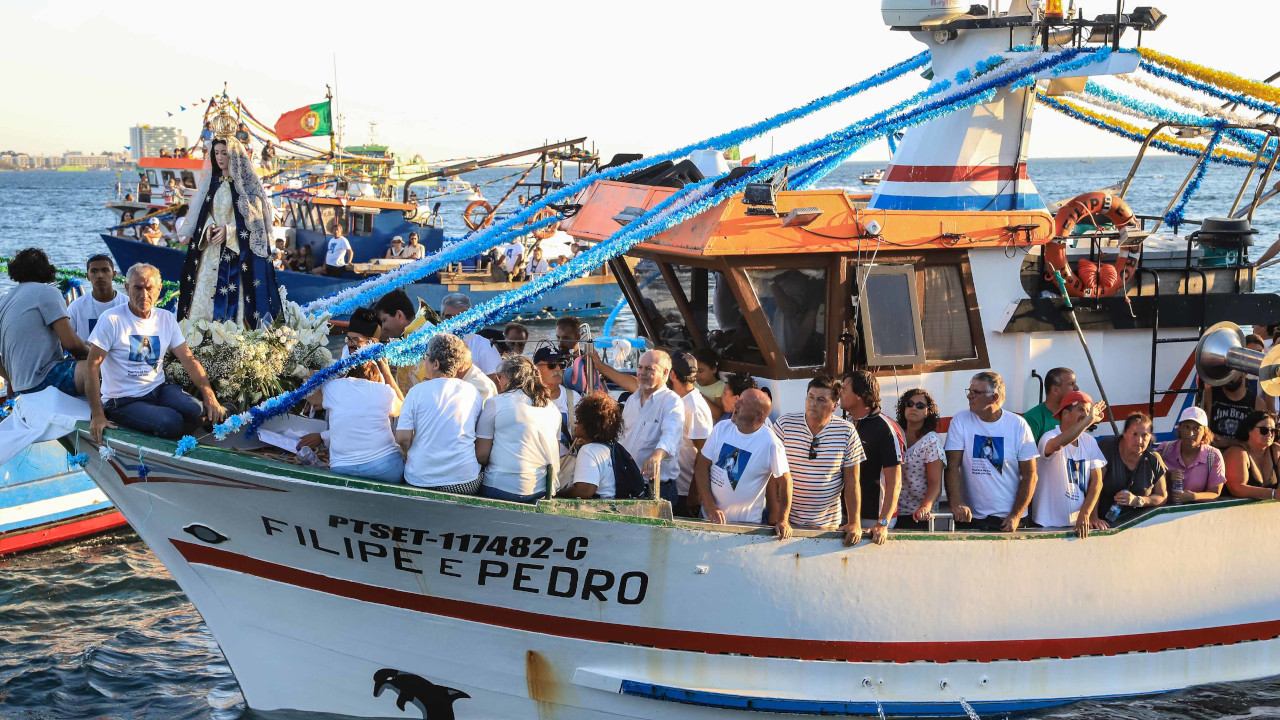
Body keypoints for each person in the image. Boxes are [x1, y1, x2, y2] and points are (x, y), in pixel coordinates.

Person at [87, 264, 226, 441]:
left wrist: (210, 396)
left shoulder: (166, 318)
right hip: (123, 400)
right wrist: (98, 415)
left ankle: (211, 416)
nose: (144, 295)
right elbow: (91, 367)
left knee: (196, 410)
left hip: (158, 388)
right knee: (172, 423)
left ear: (159, 289)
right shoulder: (111, 319)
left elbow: (188, 360)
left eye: (149, 288)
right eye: (137, 288)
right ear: (127, 288)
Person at [175, 137, 281, 329]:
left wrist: (230, 231)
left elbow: (255, 224)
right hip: (210, 251)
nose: (220, 158)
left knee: (236, 299)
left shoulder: (247, 189)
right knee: (203, 295)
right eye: (216, 153)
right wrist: (208, 226)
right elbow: (204, 213)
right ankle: (198, 335)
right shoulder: (212, 185)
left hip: (235, 254)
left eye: (225, 153)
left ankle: (232, 335)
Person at [944, 371, 1039, 532]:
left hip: (1008, 520)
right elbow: (952, 467)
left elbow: (1030, 475)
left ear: (994, 398)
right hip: (970, 518)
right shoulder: (960, 421)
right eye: (969, 391)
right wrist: (956, 504)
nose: (969, 396)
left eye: (976, 393)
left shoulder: (1018, 425)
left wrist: (1016, 515)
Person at [776, 375, 865, 542]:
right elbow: (769, 474)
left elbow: (852, 481)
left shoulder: (847, 431)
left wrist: (854, 522)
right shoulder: (784, 425)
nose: (813, 403)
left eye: (821, 400)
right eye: (810, 397)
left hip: (827, 525)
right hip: (786, 522)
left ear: (834, 406)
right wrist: (778, 515)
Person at [694, 389, 792, 538]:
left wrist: (783, 519)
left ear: (759, 414)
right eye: (738, 399)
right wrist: (710, 507)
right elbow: (701, 467)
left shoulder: (771, 443)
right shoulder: (721, 428)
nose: (736, 403)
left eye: (743, 402)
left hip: (745, 528)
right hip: (709, 520)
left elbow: (785, 482)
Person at [395, 334, 485, 493]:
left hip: (420, 481)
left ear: (435, 364)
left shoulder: (416, 392)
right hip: (464, 482)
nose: (424, 361)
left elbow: (402, 438)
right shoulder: (473, 391)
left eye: (426, 356)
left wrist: (410, 453)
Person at [0, 248, 89, 397]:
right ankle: (107, 415)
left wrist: (13, 379)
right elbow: (70, 344)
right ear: (47, 270)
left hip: (20, 385)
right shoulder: (47, 292)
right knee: (100, 365)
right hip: (47, 379)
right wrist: (90, 352)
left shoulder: (4, 300)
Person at [476, 356, 562, 502]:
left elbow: (481, 455)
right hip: (541, 490)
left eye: (499, 377)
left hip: (500, 487)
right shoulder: (552, 408)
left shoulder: (495, 403)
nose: (498, 381)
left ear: (510, 377)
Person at [303, 360, 404, 483]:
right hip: (385, 468)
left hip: (342, 468)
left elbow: (310, 395)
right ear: (377, 379)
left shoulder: (334, 386)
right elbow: (402, 408)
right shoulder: (383, 390)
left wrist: (315, 375)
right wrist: (387, 373)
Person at [1031, 391, 1109, 537]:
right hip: (1046, 525)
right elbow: (1057, 445)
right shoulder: (1048, 436)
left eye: (1088, 410)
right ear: (1065, 413)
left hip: (1077, 526)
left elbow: (1097, 482)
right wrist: (1089, 420)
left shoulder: (1090, 441)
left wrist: (1086, 514)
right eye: (1081, 409)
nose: (1086, 414)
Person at [839, 371, 903, 543]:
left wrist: (883, 523)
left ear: (860, 395)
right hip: (844, 516)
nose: (840, 394)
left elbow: (895, 482)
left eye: (844, 390)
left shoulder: (886, 428)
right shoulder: (846, 424)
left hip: (873, 519)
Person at [618, 350, 686, 503]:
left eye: (649, 368)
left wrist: (657, 456)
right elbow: (621, 437)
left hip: (657, 489)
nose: (642, 372)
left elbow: (670, 436)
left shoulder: (672, 402)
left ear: (665, 372)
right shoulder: (631, 400)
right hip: (626, 483)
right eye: (640, 367)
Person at [1090, 413, 1168, 525]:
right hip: (1103, 523)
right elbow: (1094, 484)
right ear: (1125, 433)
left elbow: (1162, 496)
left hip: (1138, 525)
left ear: (1150, 437)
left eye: (1144, 435)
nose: (1139, 440)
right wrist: (1093, 517)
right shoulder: (1107, 447)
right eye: (1134, 434)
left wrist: (1138, 500)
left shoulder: (1154, 458)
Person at [669, 352, 714, 517]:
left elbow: (705, 452)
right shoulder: (679, 399)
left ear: (672, 374)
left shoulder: (693, 407)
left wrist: (695, 494)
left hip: (685, 492)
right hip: (674, 485)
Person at [895, 388, 944, 531]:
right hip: (895, 513)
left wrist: (924, 508)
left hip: (921, 517)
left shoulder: (931, 440)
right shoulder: (895, 433)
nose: (913, 408)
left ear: (928, 411)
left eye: (920, 406)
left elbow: (935, 484)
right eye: (909, 404)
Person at [559, 394, 624, 499]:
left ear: (590, 426)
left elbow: (585, 490)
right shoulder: (609, 448)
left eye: (579, 421)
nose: (575, 423)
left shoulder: (588, 451)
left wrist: (559, 493)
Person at [1158, 406, 1226, 504]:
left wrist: (1193, 496)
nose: (1190, 433)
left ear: (1204, 432)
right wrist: (1167, 477)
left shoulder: (1213, 455)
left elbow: (1215, 493)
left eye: (1196, 428)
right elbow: (1151, 484)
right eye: (1186, 427)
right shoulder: (1164, 450)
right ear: (1180, 428)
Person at [68, 255, 128, 341]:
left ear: (114, 274)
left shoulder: (127, 304)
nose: (99, 275)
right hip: (87, 354)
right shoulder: (76, 307)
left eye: (105, 270)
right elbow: (66, 340)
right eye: (94, 271)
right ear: (87, 276)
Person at [1203, 370, 1269, 448]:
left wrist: (1228, 442)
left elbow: (1259, 443)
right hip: (1212, 455)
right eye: (1227, 370)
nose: (1229, 376)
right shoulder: (1209, 394)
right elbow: (1200, 430)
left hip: (1241, 456)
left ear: (1245, 372)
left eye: (1233, 371)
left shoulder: (1257, 404)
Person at [1223, 410, 1280, 500]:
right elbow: (1237, 488)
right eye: (1264, 430)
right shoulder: (1237, 452)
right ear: (1249, 430)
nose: (1270, 434)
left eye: (1273, 431)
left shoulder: (1275, 449)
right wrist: (1273, 494)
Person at [533, 347, 578, 459]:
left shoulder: (573, 397)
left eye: (561, 364)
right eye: (552, 365)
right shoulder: (527, 398)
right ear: (536, 369)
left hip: (566, 463)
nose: (557, 368)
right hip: (536, 464)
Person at [1023, 367, 1078, 443]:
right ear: (1055, 390)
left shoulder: (1075, 416)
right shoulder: (1032, 419)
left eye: (1075, 383)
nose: (1077, 388)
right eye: (1071, 384)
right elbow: (1026, 453)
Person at [558, 316, 607, 395]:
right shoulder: (552, 362)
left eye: (565, 338)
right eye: (558, 338)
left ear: (578, 337)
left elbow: (603, 390)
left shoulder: (590, 361)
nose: (560, 343)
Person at [692, 346, 725, 419]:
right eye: (694, 371)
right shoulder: (693, 384)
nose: (696, 375)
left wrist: (699, 395)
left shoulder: (720, 387)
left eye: (700, 371)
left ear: (713, 369)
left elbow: (718, 415)